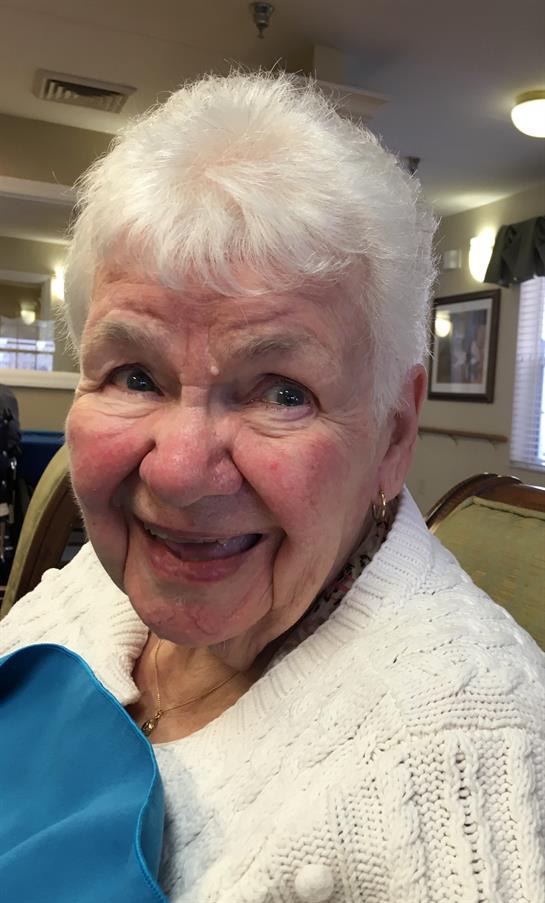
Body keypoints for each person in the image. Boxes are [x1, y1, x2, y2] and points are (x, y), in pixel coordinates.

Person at [1, 72, 543, 903]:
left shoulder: (467, 776)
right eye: (135, 374)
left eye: (282, 392)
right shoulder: (122, 573)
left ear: (393, 433)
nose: (177, 472)